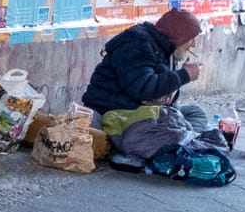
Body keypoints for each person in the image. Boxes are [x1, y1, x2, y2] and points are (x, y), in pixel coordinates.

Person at [81, 7, 212, 131]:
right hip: (116, 114)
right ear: (178, 36)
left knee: (195, 113)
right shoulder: (137, 44)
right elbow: (143, 88)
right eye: (190, 39)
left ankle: (179, 139)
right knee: (178, 129)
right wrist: (183, 76)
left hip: (143, 113)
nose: (193, 44)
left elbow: (166, 99)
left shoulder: (167, 49)